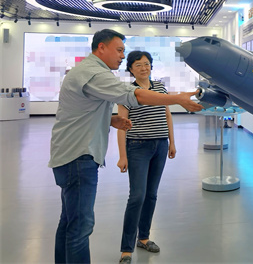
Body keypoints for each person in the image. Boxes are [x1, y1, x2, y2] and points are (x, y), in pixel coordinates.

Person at [48, 29, 203, 264]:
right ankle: (127, 248)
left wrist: (110, 120)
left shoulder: (87, 72)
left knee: (69, 222)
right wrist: (178, 98)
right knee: (80, 227)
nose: (122, 56)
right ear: (102, 48)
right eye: (119, 50)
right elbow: (134, 96)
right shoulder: (94, 73)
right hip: (79, 157)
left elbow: (80, 112)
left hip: (73, 155)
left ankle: (143, 236)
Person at [116, 51, 176, 263]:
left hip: (160, 145)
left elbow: (167, 114)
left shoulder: (160, 87)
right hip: (137, 147)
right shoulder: (127, 92)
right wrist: (122, 155)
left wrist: (171, 142)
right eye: (138, 65)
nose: (144, 68)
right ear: (130, 69)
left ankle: (143, 238)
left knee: (151, 195)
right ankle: (126, 249)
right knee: (137, 196)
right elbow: (121, 125)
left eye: (147, 64)